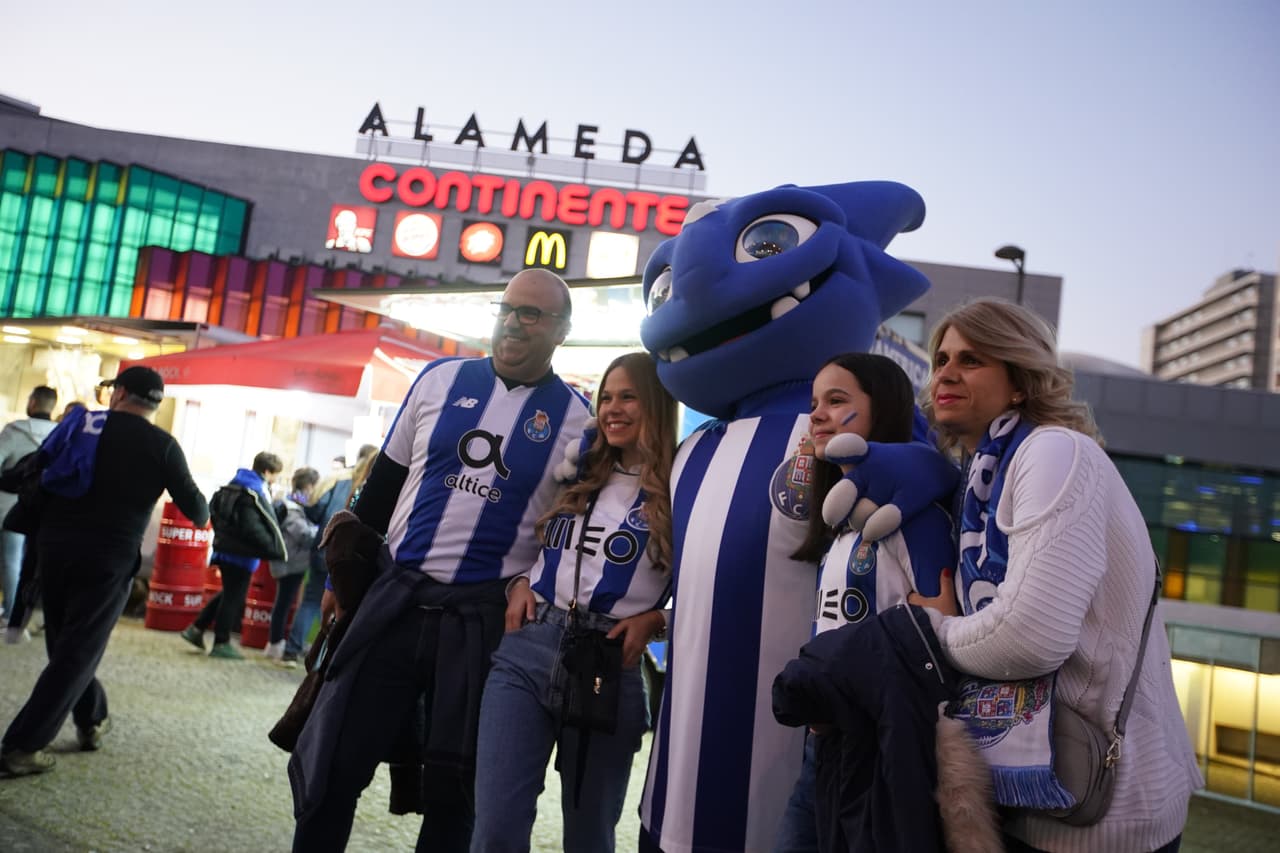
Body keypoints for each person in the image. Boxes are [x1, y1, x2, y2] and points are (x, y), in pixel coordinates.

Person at [289, 268, 590, 852]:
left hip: (482, 623)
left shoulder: (579, 422)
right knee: (337, 761)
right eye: (508, 308)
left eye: (533, 314)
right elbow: (382, 487)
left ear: (562, 331)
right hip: (395, 602)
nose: (514, 322)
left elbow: (570, 533)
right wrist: (339, 579)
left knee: (457, 791)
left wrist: (535, 582)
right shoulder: (437, 379)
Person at [911, 298, 1201, 852]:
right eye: (941, 359)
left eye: (972, 360)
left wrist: (930, 630)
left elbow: (1028, 638)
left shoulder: (1053, 452)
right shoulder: (978, 479)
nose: (946, 372)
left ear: (1020, 382)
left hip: (1097, 813)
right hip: (1032, 793)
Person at [471, 351, 677, 852]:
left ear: (656, 403)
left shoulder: (683, 487)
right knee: (495, 828)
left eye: (628, 396)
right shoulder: (577, 470)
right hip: (528, 647)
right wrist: (518, 583)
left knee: (589, 837)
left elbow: (707, 589)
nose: (612, 408)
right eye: (606, 397)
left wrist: (658, 619)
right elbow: (526, 544)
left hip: (609, 661)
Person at [774, 353, 955, 853]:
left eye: (837, 400)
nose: (816, 414)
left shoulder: (915, 517)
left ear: (884, 409)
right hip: (827, 747)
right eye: (814, 402)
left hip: (883, 752)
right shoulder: (841, 522)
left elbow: (937, 629)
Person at [0, 366, 207, 776]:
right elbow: (198, 512)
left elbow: (30, 471)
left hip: (54, 551)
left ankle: (91, 717)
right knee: (77, 651)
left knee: (67, 648)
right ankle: (21, 745)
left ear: (120, 393)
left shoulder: (80, 427)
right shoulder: (163, 446)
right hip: (108, 561)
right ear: (155, 403)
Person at [181, 451, 286, 660]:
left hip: (225, 549)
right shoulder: (253, 491)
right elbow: (252, 526)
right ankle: (221, 642)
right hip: (241, 555)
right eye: (275, 474)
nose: (275, 479)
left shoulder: (235, 484)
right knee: (233, 597)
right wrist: (270, 548)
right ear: (267, 471)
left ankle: (196, 629)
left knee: (229, 593)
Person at [282, 443, 377, 666]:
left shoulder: (337, 479)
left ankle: (292, 649)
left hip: (325, 548)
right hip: (353, 557)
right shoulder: (373, 487)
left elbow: (315, 509)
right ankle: (324, 659)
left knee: (313, 601)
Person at [0, 385, 58, 630]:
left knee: (11, 560)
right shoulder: (61, 434)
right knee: (34, 563)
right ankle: (30, 615)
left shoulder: (14, 432)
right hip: (46, 509)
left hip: (10, 505)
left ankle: (11, 613)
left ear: (33, 401)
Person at [264, 467, 320, 665]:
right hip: (291, 563)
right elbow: (304, 535)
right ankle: (275, 643)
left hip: (287, 561)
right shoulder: (294, 507)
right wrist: (320, 532)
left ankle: (275, 642)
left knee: (284, 602)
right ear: (308, 486)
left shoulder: (289, 503)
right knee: (284, 603)